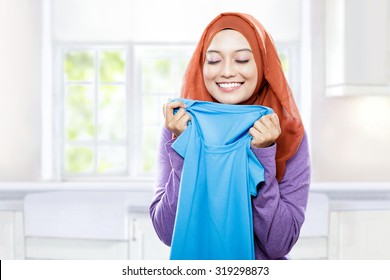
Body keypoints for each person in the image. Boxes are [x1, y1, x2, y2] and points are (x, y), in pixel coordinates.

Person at [149, 12, 311, 260]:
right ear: (201, 65)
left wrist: (263, 155)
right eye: (213, 60)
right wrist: (184, 151)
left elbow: (279, 244)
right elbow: (166, 232)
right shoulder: (180, 125)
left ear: (262, 64)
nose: (226, 71)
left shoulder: (286, 133)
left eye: (242, 59)